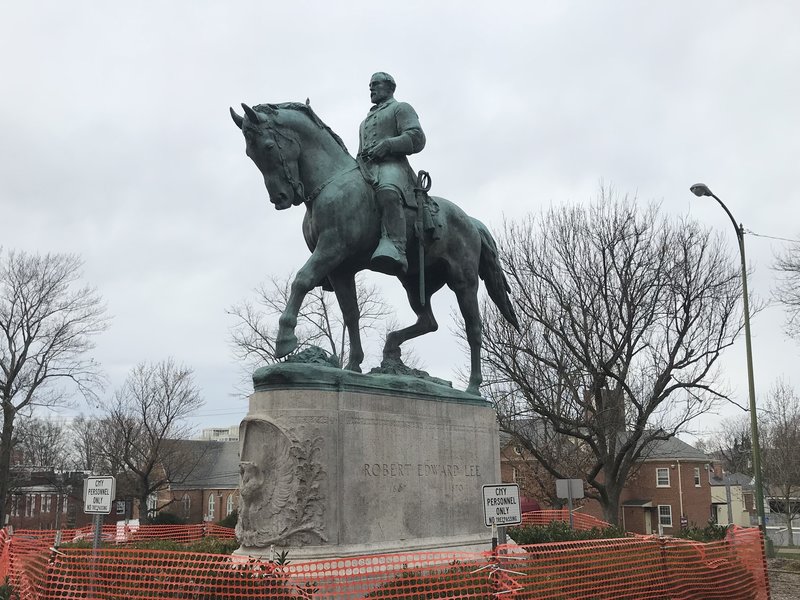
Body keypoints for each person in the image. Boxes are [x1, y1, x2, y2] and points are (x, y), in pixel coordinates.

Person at [357, 72, 426, 275]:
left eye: (376, 84)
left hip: (393, 167)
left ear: (390, 87)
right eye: (370, 85)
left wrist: (388, 145)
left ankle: (396, 246)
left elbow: (417, 137)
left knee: (387, 191)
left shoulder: (400, 108)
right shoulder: (364, 122)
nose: (371, 88)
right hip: (368, 170)